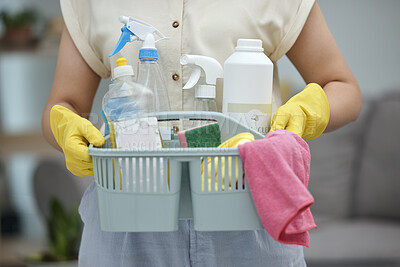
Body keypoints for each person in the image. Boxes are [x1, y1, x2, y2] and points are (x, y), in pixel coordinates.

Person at [42, 0, 361, 266]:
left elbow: (343, 87)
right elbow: (63, 103)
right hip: (128, 207)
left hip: (244, 205)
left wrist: (308, 111)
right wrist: (65, 128)